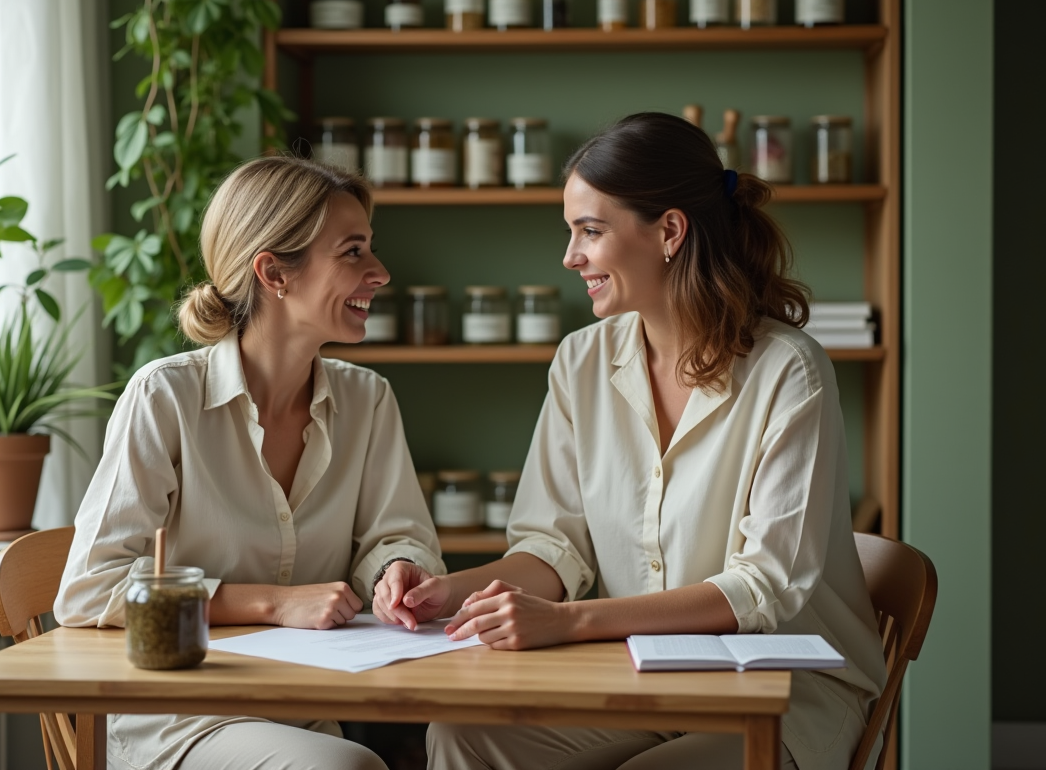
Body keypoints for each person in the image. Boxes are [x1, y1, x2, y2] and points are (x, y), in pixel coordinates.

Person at [374, 113, 887, 770]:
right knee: (462, 736)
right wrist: (445, 591)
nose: (571, 257)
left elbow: (766, 587)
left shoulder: (790, 370)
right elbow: (554, 549)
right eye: (571, 232)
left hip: (787, 687)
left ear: (669, 231)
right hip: (640, 673)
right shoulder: (579, 361)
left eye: (590, 231)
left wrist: (571, 623)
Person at [55, 156, 444, 770]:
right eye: (352, 253)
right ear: (273, 272)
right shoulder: (166, 397)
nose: (380, 273)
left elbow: (397, 533)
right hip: (179, 714)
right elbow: (89, 588)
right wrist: (272, 602)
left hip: (304, 706)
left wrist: (397, 568)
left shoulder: (367, 399)